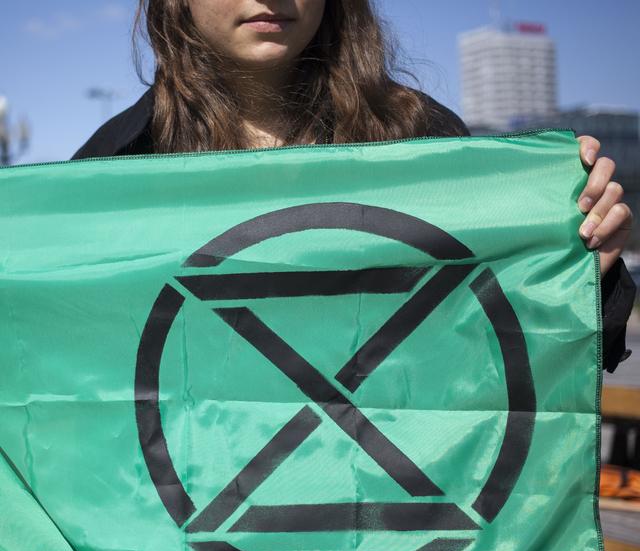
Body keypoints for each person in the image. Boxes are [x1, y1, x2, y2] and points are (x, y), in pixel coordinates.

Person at [71, 0, 636, 371]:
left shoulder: (429, 145)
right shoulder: (113, 168)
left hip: (398, 530)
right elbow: (68, 374)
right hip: (186, 532)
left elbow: (504, 357)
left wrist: (583, 268)